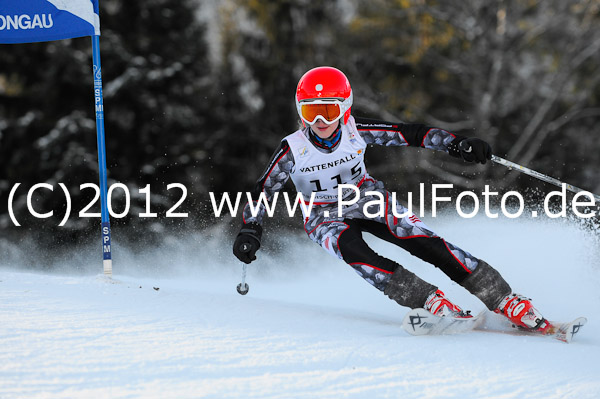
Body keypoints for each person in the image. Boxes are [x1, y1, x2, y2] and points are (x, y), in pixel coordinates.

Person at [232, 66, 550, 332]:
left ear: (344, 109)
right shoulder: (292, 148)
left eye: (328, 110)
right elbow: (263, 190)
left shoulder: (356, 131)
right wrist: (250, 230)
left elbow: (411, 133)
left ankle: (505, 299)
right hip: (322, 215)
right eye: (311, 112)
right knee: (354, 251)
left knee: (425, 242)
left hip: (366, 198)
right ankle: (429, 300)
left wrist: (458, 144)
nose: (320, 122)